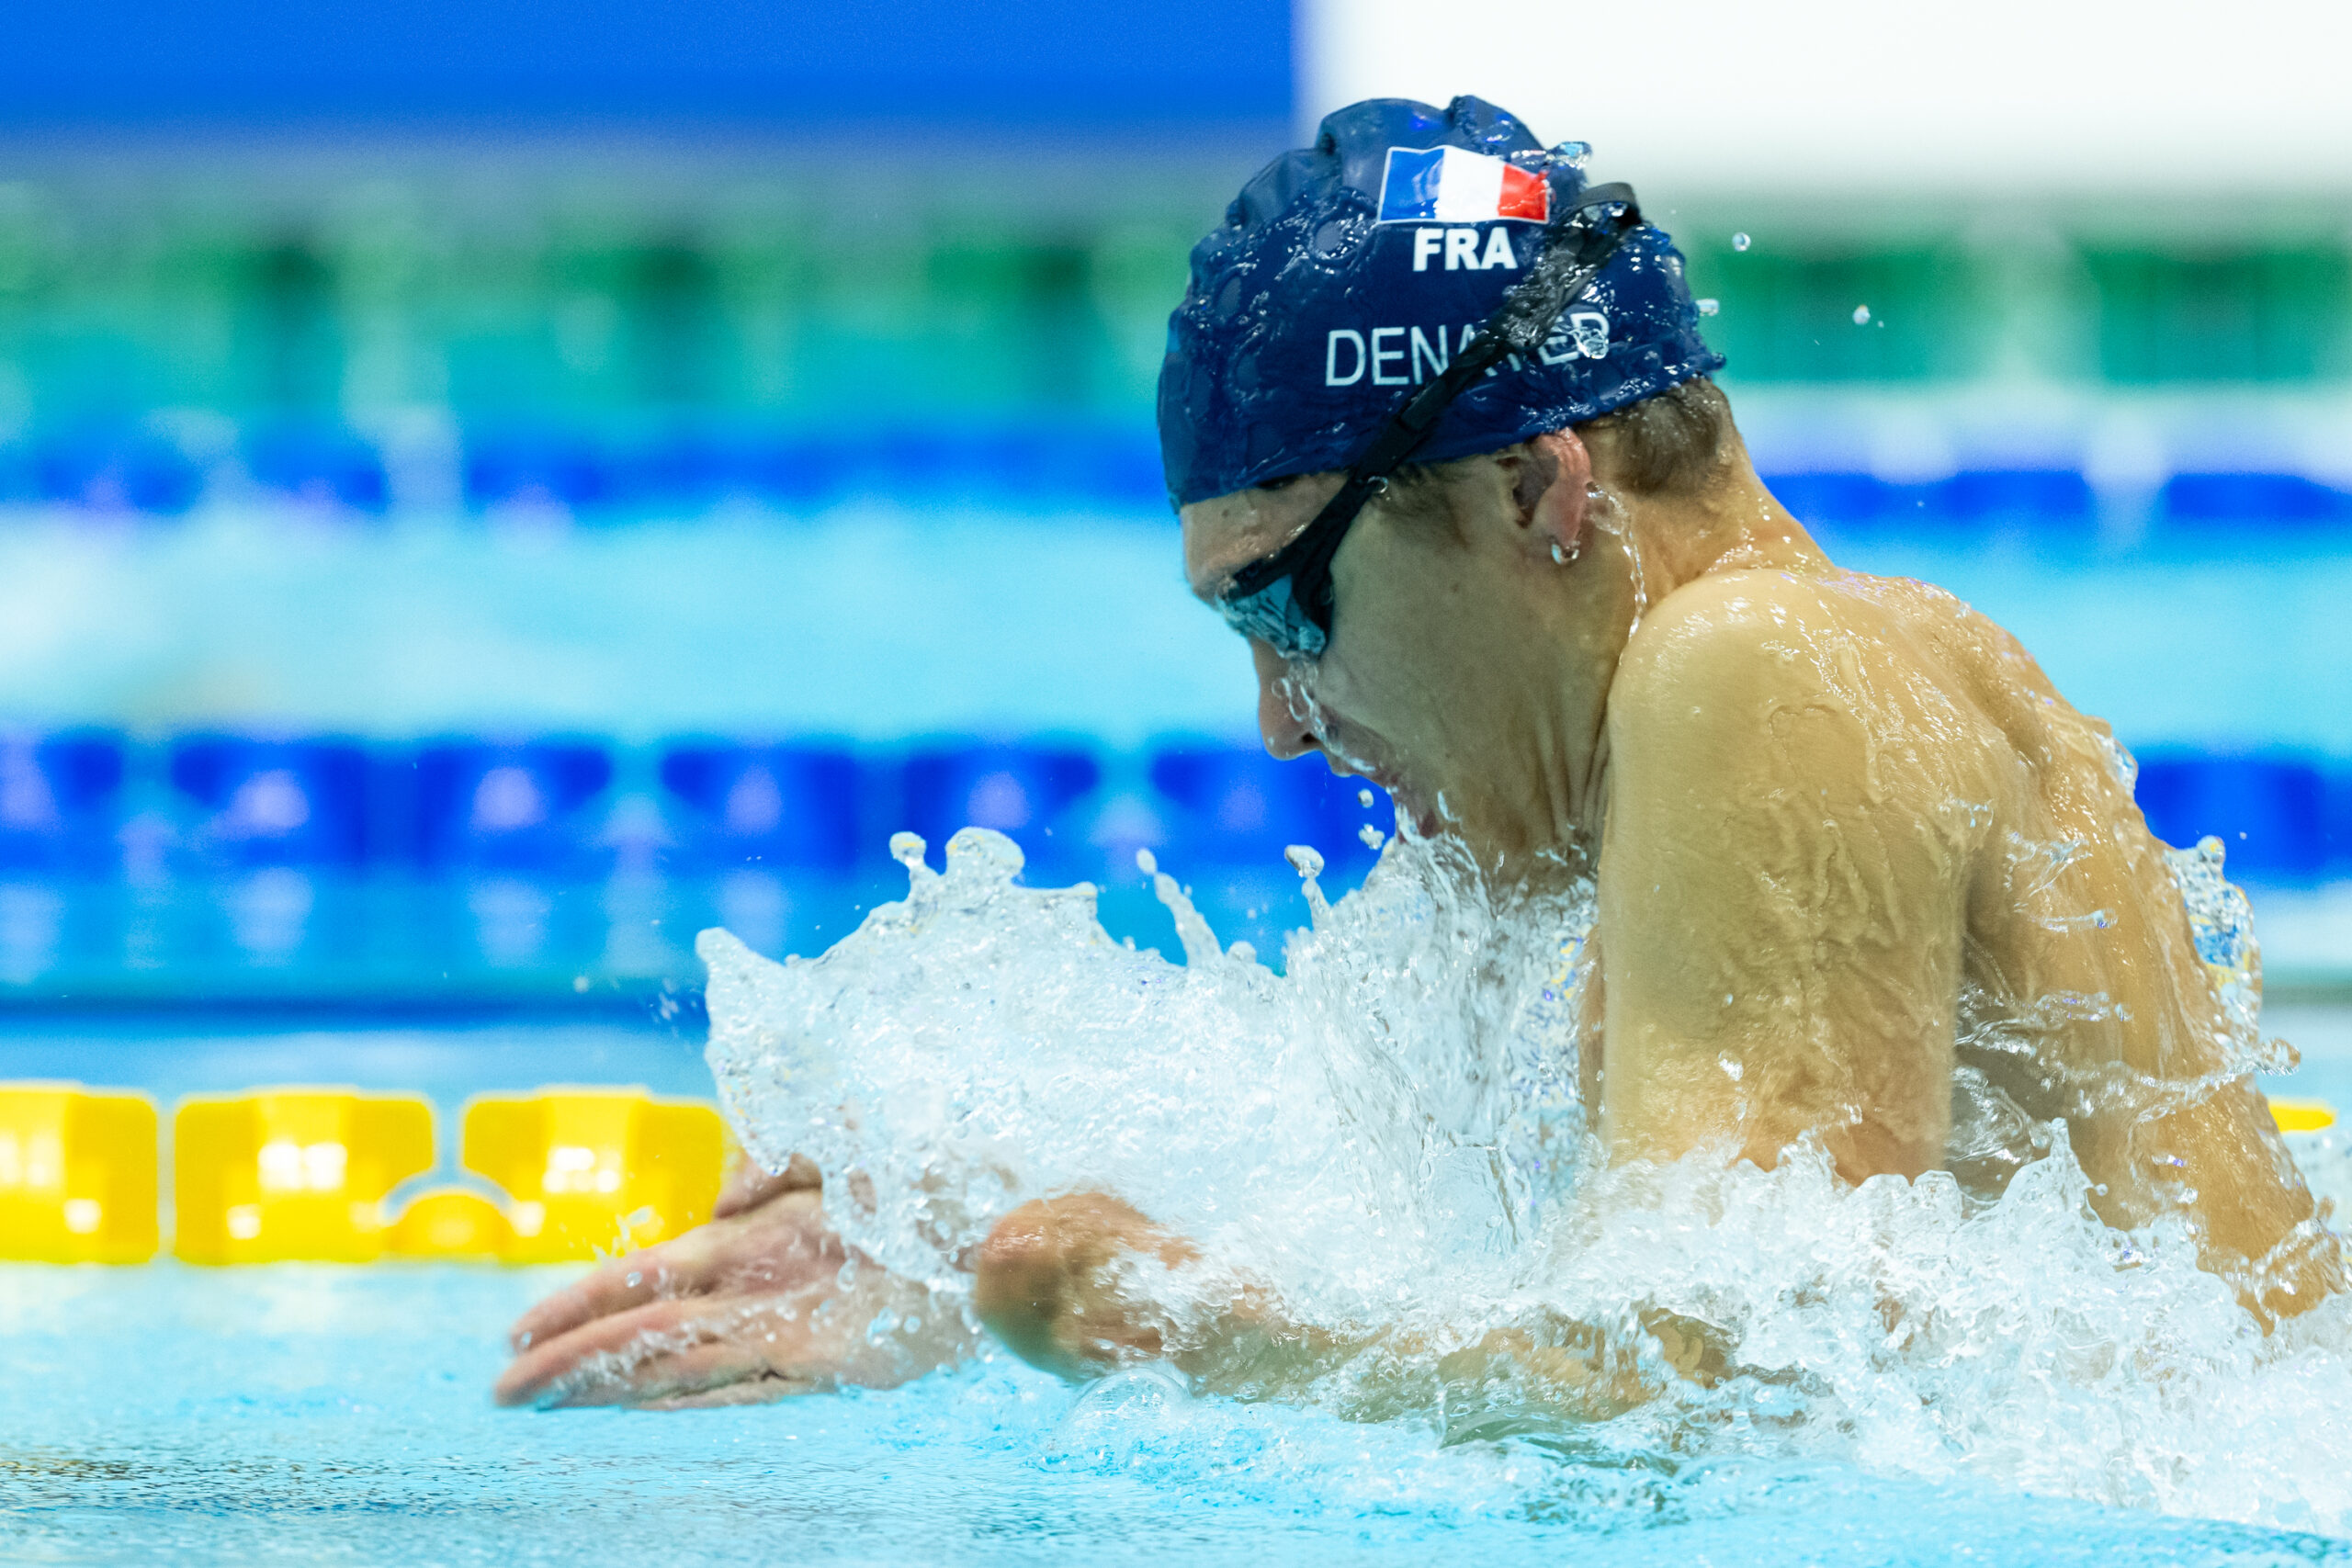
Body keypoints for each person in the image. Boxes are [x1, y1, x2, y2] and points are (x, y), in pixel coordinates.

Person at [494, 96, 2339, 1413]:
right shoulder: (1728, 721)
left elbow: (1747, 1405)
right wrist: (939, 1249)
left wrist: (1171, 1320)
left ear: (1538, 489)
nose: (1280, 724)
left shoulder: (1755, 667)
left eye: (1285, 607)